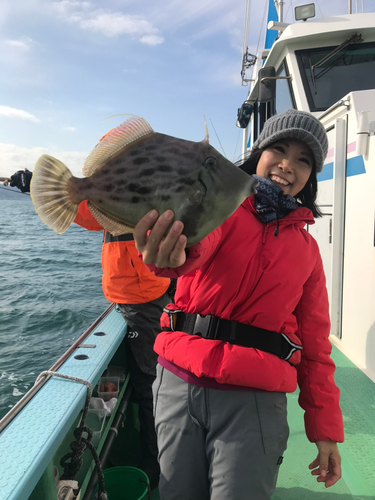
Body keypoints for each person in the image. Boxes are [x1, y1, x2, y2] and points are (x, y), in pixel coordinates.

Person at [132, 109, 344, 500]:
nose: (287, 164)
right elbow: (196, 245)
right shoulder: (222, 209)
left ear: (311, 176)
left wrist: (325, 429)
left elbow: (315, 343)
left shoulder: (309, 251)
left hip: (255, 400)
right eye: (279, 149)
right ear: (258, 152)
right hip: (179, 381)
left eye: (303, 160)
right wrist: (173, 254)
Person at [9, 162, 174, 490]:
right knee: (146, 382)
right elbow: (82, 212)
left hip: (143, 300)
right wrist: (36, 186)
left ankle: (157, 462)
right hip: (127, 298)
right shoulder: (105, 200)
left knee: (147, 385)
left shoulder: (146, 194)